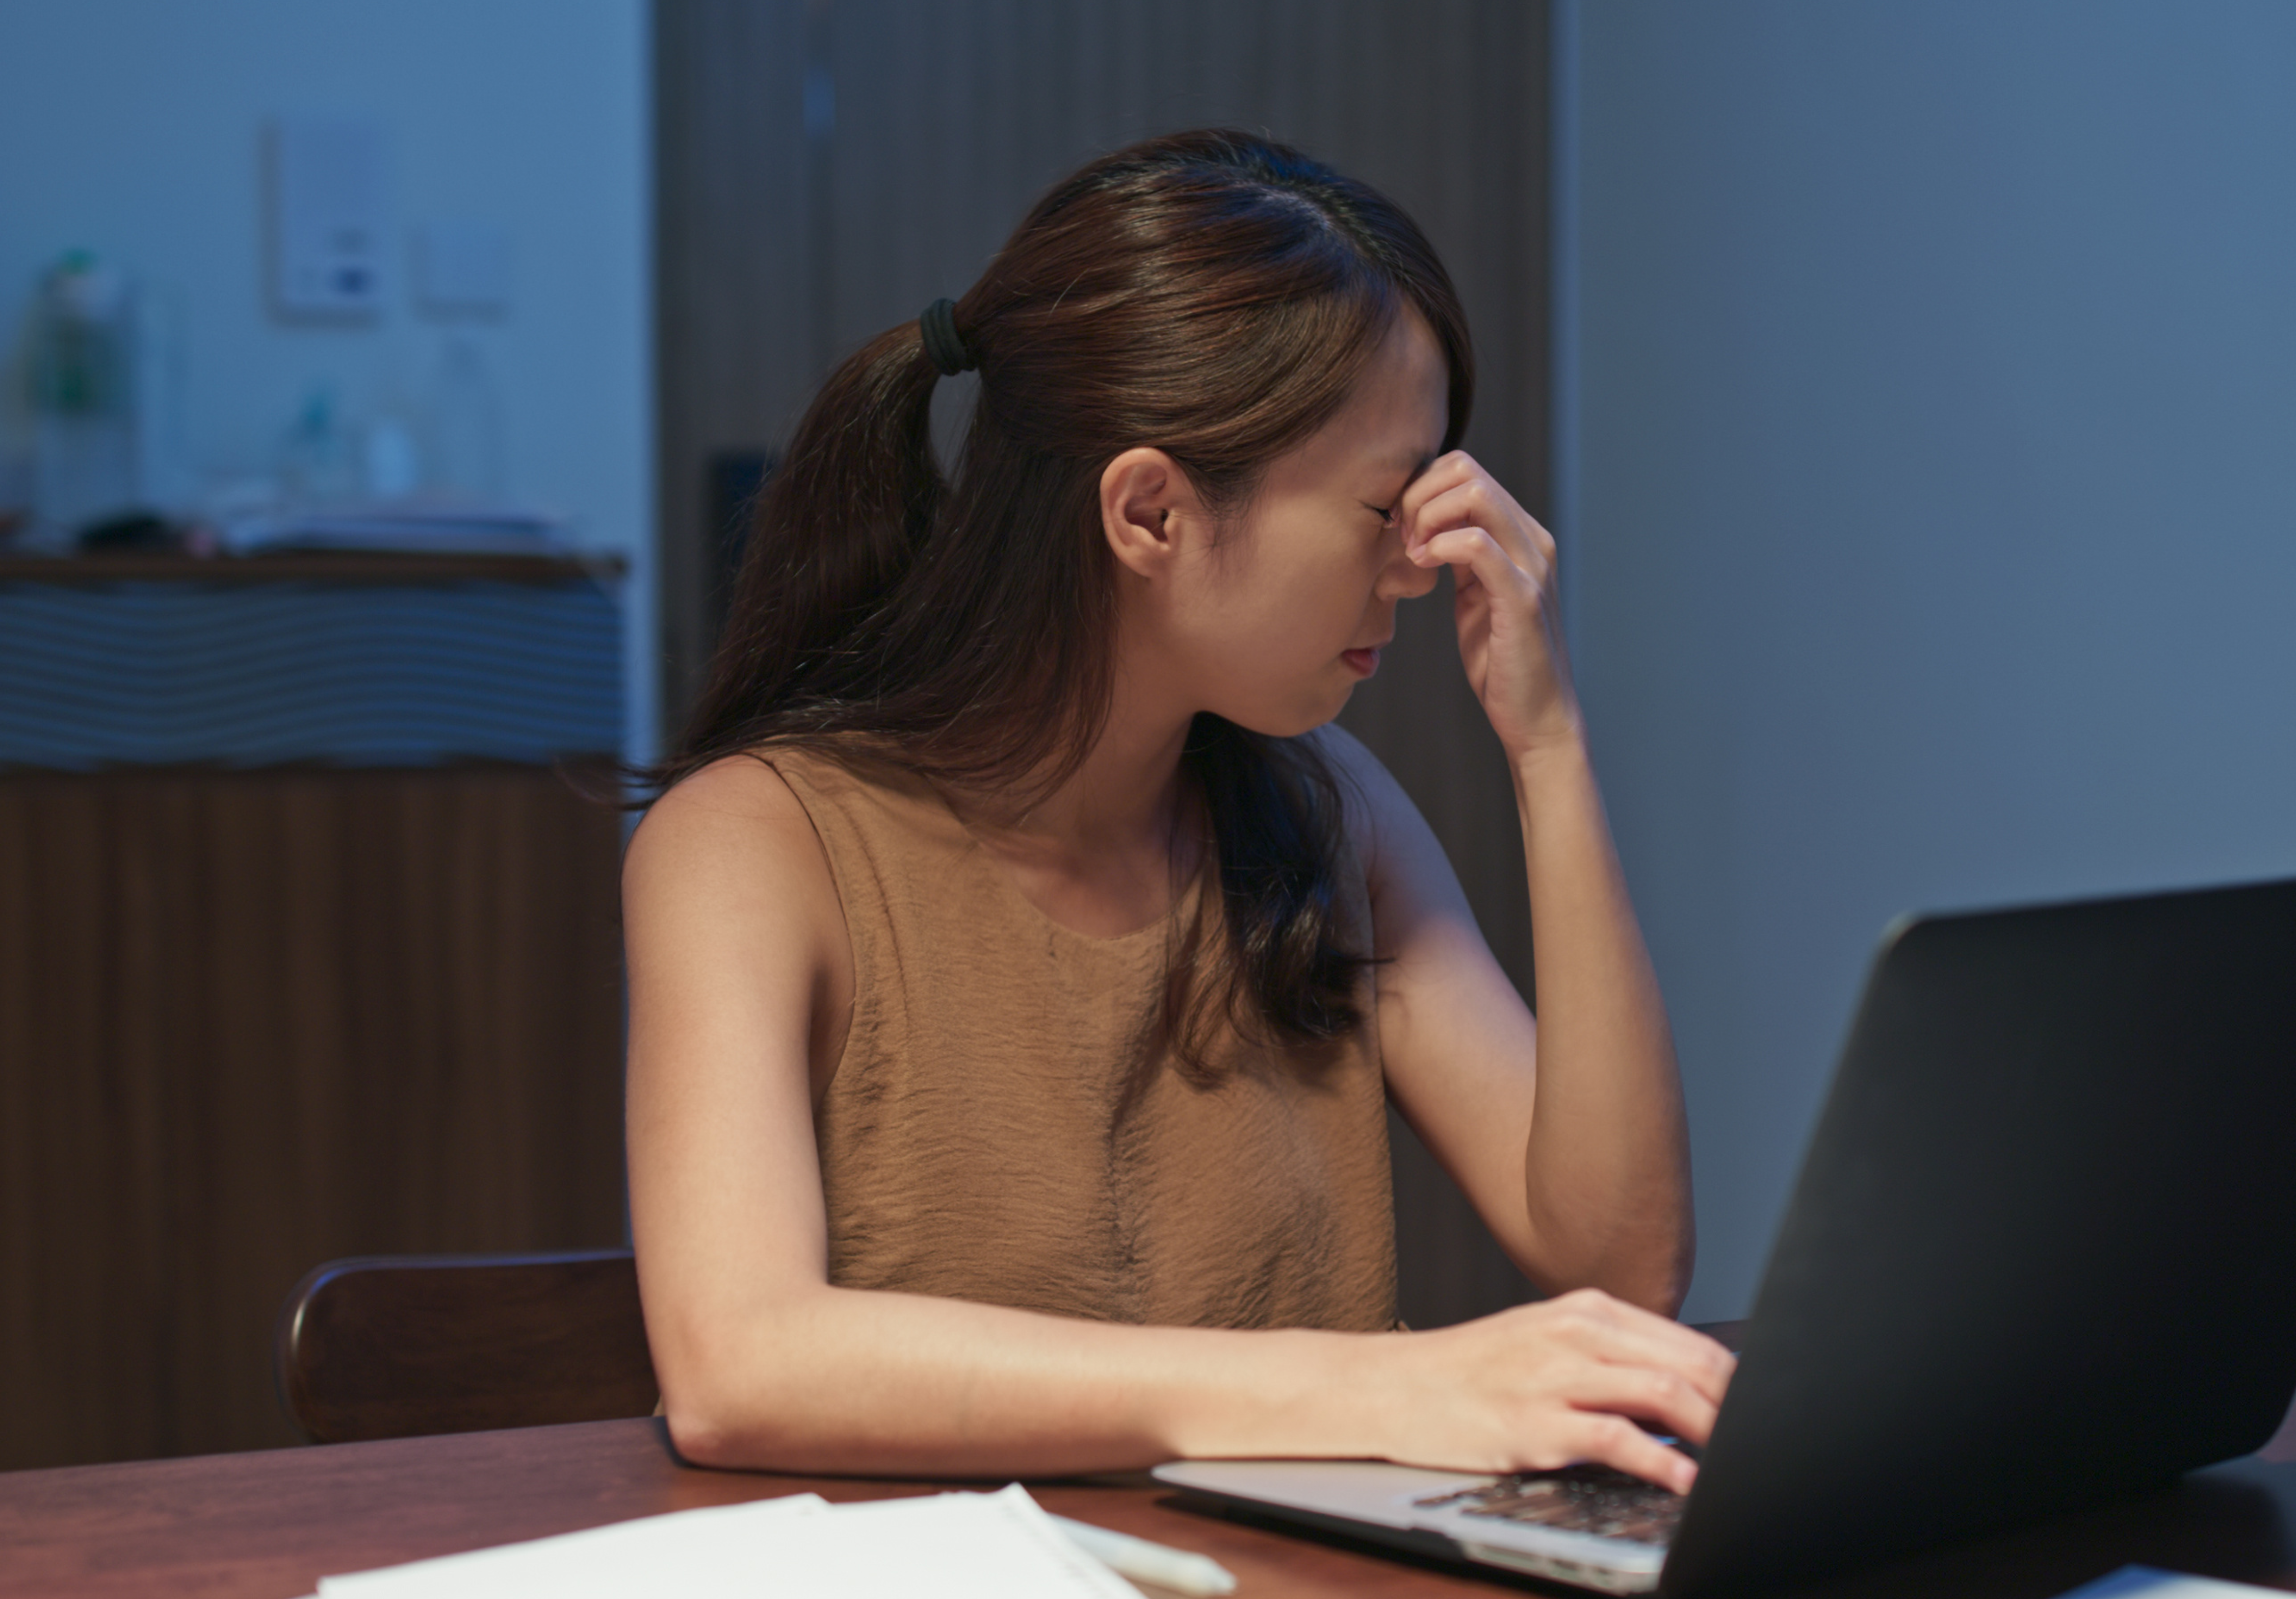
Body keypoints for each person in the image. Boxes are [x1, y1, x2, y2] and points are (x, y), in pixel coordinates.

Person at [624, 129, 1727, 1494]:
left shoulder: (1333, 817)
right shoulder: (755, 844)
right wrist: (1385, 1384)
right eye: (1388, 505)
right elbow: (742, 1371)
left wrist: (1548, 743)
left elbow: (1617, 1266)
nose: (1418, 565)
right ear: (1150, 514)